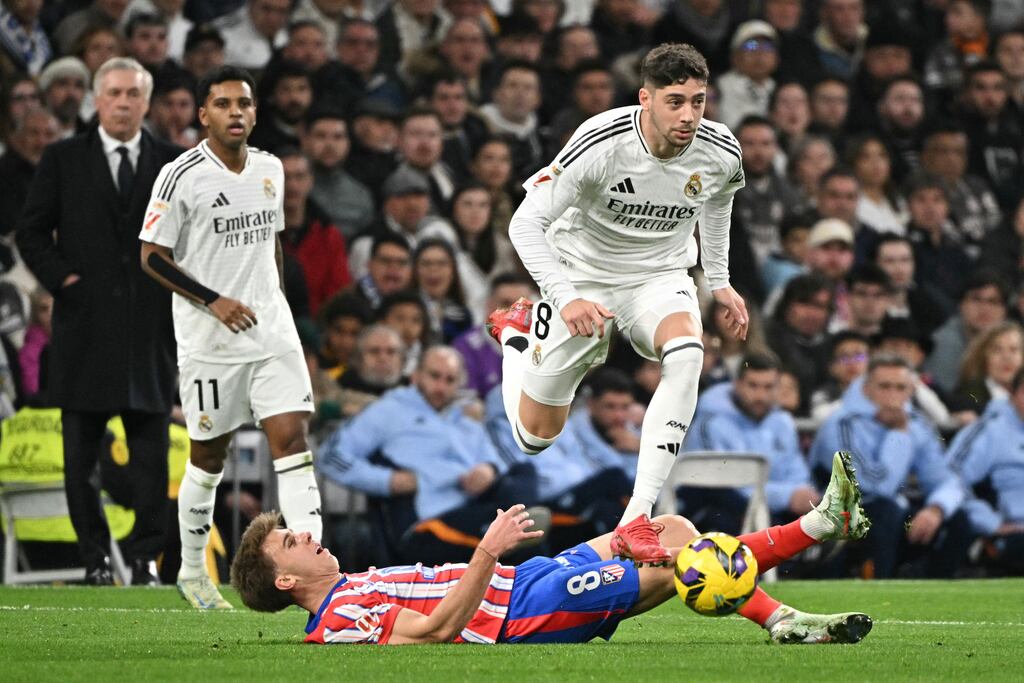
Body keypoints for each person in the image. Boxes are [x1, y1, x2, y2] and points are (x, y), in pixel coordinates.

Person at [487, 43, 750, 565]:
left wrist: (718, 280)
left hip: (660, 276)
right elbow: (524, 223)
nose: (689, 116)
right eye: (675, 102)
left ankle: (636, 518)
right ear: (645, 99)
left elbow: (719, 201)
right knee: (533, 438)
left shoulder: (720, 150)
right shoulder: (600, 142)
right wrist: (565, 298)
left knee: (688, 354)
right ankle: (517, 339)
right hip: (583, 279)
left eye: (698, 101)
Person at [230, 451, 873, 645]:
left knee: (668, 530)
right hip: (521, 612)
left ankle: (812, 549)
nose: (307, 535)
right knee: (680, 564)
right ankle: (810, 551)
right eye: (291, 541)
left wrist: (499, 563)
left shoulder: (348, 589)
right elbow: (430, 632)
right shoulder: (339, 618)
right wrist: (487, 552)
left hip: (527, 578)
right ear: (285, 582)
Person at [138, 66, 323, 609]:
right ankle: (193, 571)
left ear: (255, 112)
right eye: (222, 104)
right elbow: (151, 255)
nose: (235, 112)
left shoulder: (271, 169)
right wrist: (212, 301)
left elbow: (272, 245)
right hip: (210, 341)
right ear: (203, 115)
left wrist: (279, 306)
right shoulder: (181, 176)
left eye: (243, 103)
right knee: (208, 458)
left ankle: (320, 570)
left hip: (271, 332)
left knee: (292, 445)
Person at [16, 57, 183, 587]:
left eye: (132, 94)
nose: (122, 102)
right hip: (83, 332)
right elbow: (32, 233)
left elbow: (192, 238)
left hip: (148, 334)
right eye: (112, 93)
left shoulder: (172, 163)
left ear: (146, 101)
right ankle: (95, 559)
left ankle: (144, 559)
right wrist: (64, 281)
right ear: (96, 98)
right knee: (79, 460)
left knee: (152, 462)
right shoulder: (63, 158)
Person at [318, 346, 541, 565]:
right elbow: (330, 456)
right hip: (427, 524)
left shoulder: (465, 419)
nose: (441, 386)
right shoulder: (390, 410)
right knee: (531, 543)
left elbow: (497, 462)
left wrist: (489, 469)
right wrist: (386, 481)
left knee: (524, 472)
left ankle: (511, 532)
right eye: (434, 376)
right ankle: (512, 534)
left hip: (474, 506)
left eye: (450, 380)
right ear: (416, 375)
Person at [810, 354, 970, 578]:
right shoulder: (841, 424)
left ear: (910, 391)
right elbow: (871, 485)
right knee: (885, 511)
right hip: (843, 516)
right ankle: (877, 586)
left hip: (894, 513)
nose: (893, 396)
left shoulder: (917, 423)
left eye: (900, 388)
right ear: (866, 389)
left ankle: (934, 594)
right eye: (884, 387)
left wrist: (936, 509)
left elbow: (946, 479)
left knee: (957, 519)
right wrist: (898, 435)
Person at [684, 351, 820, 534]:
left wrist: (801, 493)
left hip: (769, 509)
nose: (760, 396)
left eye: (768, 387)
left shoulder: (782, 422)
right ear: (737, 384)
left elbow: (797, 473)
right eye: (753, 386)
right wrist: (787, 496)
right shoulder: (710, 424)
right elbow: (725, 486)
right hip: (715, 510)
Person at [946, 368, 1024, 574]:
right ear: (1012, 394)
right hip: (1011, 530)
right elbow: (950, 479)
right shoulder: (989, 431)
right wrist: (989, 522)